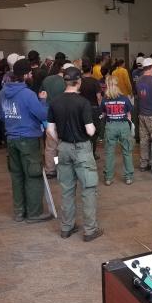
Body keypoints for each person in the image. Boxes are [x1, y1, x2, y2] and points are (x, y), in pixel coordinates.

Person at [46, 67, 102, 241]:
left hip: (63, 148)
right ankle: (90, 230)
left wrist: (60, 141)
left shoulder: (55, 102)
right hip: (82, 149)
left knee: (67, 189)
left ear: (65, 81)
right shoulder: (83, 103)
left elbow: (50, 129)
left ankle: (66, 227)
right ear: (78, 82)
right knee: (88, 189)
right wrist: (95, 128)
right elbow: (90, 130)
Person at [0, 58, 52, 223]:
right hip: (28, 140)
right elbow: (42, 114)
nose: (31, 76)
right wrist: (43, 101)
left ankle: (19, 212)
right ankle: (34, 213)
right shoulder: (28, 94)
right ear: (27, 74)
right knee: (33, 175)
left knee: (17, 176)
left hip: (11, 139)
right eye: (30, 74)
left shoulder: (2, 93)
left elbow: (1, 115)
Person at [100, 75, 134, 186]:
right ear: (117, 84)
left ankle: (108, 178)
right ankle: (128, 177)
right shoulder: (124, 99)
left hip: (110, 126)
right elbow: (129, 114)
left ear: (107, 85)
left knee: (109, 153)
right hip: (123, 125)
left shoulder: (105, 99)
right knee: (127, 151)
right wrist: (130, 126)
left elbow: (103, 114)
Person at [41, 62, 70, 177]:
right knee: (63, 145)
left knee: (50, 146)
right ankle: (61, 168)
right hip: (63, 115)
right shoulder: (66, 82)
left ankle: (50, 169)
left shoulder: (47, 79)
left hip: (49, 115)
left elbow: (41, 95)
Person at [79, 60, 103, 159]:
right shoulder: (95, 81)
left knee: (83, 130)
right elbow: (99, 97)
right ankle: (92, 153)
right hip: (93, 110)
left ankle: (83, 153)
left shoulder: (79, 81)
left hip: (81, 109)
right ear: (91, 69)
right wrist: (101, 109)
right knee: (94, 132)